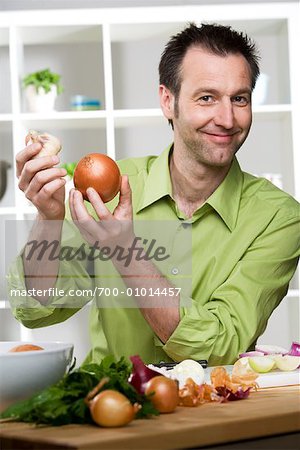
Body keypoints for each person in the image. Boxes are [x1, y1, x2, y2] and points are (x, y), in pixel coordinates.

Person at [7, 23, 299, 366]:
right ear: (167, 100)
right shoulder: (111, 188)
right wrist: (49, 219)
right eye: (207, 98)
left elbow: (220, 344)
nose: (227, 118)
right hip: (109, 403)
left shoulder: (278, 218)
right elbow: (38, 308)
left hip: (210, 411)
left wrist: (124, 250)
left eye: (239, 98)